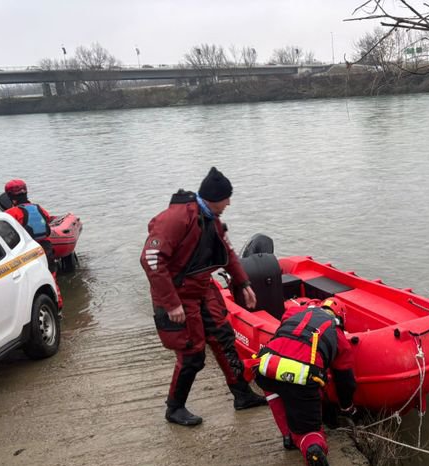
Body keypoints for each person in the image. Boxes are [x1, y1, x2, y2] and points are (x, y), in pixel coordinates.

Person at [140, 166, 266, 427]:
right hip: (177, 294)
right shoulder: (175, 219)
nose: (229, 203)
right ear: (213, 197)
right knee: (192, 355)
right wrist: (171, 303)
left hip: (202, 288)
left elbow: (228, 253)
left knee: (224, 338)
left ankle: (242, 395)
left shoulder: (213, 220)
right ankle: (174, 408)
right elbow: (151, 259)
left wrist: (244, 284)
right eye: (226, 198)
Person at [252, 298, 357, 466]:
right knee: (310, 431)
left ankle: (287, 435)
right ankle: (312, 448)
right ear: (340, 318)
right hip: (302, 377)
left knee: (273, 388)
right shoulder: (338, 335)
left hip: (266, 365)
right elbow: (346, 382)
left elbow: (286, 327)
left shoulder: (295, 312)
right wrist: (347, 408)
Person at [3, 179, 63, 309]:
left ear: (10, 197)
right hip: (46, 248)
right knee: (52, 278)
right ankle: (58, 306)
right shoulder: (38, 208)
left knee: (32, 285)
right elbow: (47, 218)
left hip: (28, 251)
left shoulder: (11, 213)